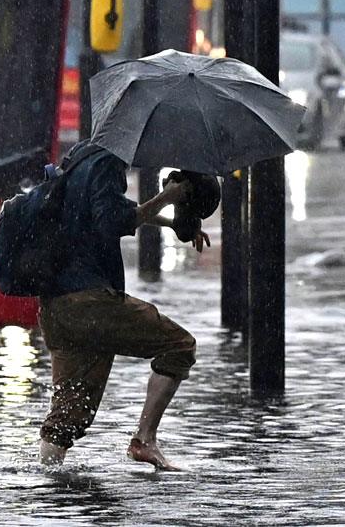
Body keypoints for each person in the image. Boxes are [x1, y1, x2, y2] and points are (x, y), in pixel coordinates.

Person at [37, 141, 211, 471]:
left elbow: (110, 209)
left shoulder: (79, 158)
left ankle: (49, 492)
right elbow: (112, 222)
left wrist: (170, 222)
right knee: (180, 346)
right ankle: (144, 441)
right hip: (91, 303)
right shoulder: (108, 163)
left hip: (57, 307)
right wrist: (168, 198)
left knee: (66, 421)